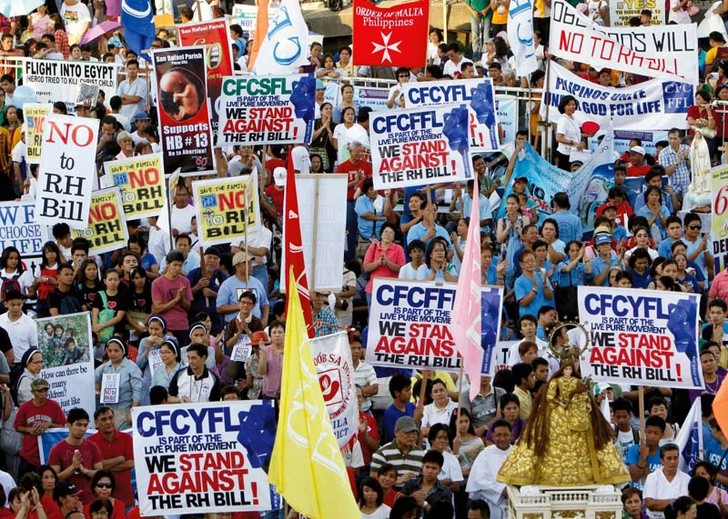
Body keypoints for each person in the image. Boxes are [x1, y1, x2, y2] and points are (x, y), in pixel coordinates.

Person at [498, 361, 630, 486]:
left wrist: (586, 403)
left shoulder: (578, 381)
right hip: (556, 413)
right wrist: (560, 403)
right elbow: (549, 396)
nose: (568, 371)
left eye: (570, 368)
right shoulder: (555, 381)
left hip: (578, 412)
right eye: (566, 368)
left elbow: (584, 396)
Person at [48, 408, 103, 504]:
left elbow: (100, 473)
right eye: (78, 425)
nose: (82, 428)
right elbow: (53, 479)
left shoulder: (92, 446)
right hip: (66, 501)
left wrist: (85, 471)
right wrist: (73, 467)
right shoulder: (57, 449)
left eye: (85, 425)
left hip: (89, 500)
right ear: (69, 425)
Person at [14, 379, 66, 479]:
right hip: (29, 455)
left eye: (45, 390)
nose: (43, 393)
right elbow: (17, 426)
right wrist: (29, 430)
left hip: (48, 454)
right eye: (40, 391)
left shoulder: (54, 406)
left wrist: (49, 424)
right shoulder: (25, 407)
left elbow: (62, 426)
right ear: (33, 392)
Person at [87, 407, 134, 507]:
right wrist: (120, 459)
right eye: (104, 419)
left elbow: (131, 464)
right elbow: (91, 467)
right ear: (96, 423)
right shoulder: (90, 442)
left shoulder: (126, 438)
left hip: (125, 498)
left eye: (111, 418)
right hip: (99, 501)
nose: (108, 422)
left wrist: (102, 467)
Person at [467, 419, 513, 519]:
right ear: (492, 436)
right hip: (491, 505)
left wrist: (511, 491)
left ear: (511, 435)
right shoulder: (484, 454)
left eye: (505, 435)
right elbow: (479, 481)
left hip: (513, 503)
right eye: (498, 435)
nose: (502, 438)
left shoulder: (518, 454)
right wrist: (501, 489)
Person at [93, 338, 143, 430]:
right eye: (110, 351)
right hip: (108, 413)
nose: (112, 353)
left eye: (116, 351)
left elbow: (138, 390)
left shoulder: (131, 367)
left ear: (123, 351)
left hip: (125, 411)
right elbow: (90, 378)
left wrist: (133, 411)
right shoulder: (105, 367)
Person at [216, 251, 269, 326]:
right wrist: (240, 306)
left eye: (251, 263)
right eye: (247, 263)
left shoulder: (257, 283)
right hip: (235, 327)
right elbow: (219, 308)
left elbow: (265, 304)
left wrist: (264, 320)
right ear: (237, 267)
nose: (251, 266)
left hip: (255, 326)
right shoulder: (227, 284)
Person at [151, 251, 193, 346]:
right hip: (166, 327)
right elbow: (158, 308)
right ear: (167, 264)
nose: (177, 268)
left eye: (180, 265)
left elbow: (188, 307)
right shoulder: (157, 283)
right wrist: (176, 299)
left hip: (182, 325)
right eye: (174, 265)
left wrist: (182, 297)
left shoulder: (185, 282)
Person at [370, 416, 426, 482]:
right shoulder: (382, 453)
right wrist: (396, 481)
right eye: (407, 432)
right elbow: (373, 482)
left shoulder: (421, 454)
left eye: (413, 432)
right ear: (396, 432)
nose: (411, 436)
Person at [400, 450, 453, 518]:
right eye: (427, 467)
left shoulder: (445, 491)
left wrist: (425, 504)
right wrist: (411, 498)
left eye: (434, 468)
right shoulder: (410, 484)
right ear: (422, 467)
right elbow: (398, 509)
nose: (430, 471)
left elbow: (443, 516)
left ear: (440, 471)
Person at [643, 444, 691, 518]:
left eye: (675, 458)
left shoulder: (686, 478)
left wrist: (659, 503)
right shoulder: (652, 477)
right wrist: (674, 501)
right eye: (669, 458)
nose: (673, 462)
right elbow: (649, 504)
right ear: (662, 460)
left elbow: (683, 506)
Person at [362, 222, 404, 305]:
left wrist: (387, 262)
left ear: (394, 237)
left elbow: (401, 269)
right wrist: (378, 262)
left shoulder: (398, 249)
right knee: (372, 315)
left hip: (392, 290)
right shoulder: (373, 247)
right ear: (381, 234)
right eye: (386, 232)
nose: (388, 235)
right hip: (373, 288)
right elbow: (366, 268)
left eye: (391, 232)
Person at [554, 95, 585, 170]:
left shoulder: (574, 118)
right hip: (565, 154)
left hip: (573, 153)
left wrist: (587, 135)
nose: (572, 107)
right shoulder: (563, 120)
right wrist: (575, 144)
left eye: (573, 104)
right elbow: (559, 138)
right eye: (569, 105)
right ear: (564, 106)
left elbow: (573, 134)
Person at [258, 320, 285, 399]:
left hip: (286, 394)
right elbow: (261, 371)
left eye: (280, 332)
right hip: (268, 394)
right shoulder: (266, 350)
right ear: (270, 335)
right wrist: (263, 354)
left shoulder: (291, 351)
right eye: (274, 332)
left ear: (285, 334)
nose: (277, 335)